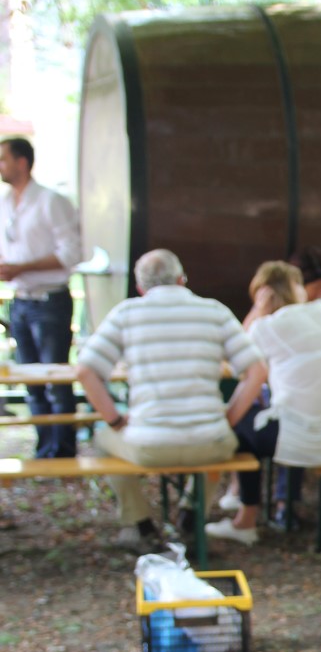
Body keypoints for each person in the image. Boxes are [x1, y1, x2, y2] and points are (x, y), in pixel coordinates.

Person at [76, 249, 266, 549]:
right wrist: (228, 418)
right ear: (182, 279)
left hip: (149, 444)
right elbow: (257, 371)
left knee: (103, 443)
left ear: (141, 288)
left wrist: (114, 420)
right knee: (218, 444)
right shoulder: (214, 311)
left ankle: (139, 525)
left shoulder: (127, 313)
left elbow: (86, 371)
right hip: (209, 441)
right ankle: (192, 513)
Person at [207, 260, 321, 546]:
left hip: (303, 438)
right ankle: (245, 508)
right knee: (255, 417)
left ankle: (245, 518)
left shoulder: (267, 326)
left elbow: (235, 356)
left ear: (262, 292)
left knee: (239, 430)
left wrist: (257, 310)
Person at [0, 136, 83, 458]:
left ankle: (62, 449)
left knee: (55, 376)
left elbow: (71, 253)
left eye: (4, 159)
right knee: (29, 378)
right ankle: (43, 446)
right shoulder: (6, 202)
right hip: (20, 299)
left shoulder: (51, 201)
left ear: (22, 162)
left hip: (50, 300)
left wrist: (24, 267)